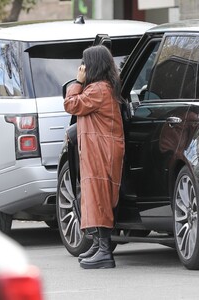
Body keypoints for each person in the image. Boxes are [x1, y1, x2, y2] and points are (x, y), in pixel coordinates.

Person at [64, 45, 125, 269]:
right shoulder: (102, 88)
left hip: (102, 151)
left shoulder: (98, 89)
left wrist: (78, 82)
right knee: (93, 195)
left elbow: (71, 104)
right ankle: (98, 244)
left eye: (84, 63)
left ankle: (105, 251)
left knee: (99, 196)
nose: (82, 67)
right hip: (98, 150)